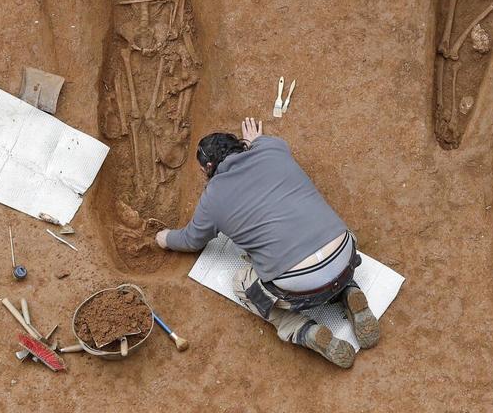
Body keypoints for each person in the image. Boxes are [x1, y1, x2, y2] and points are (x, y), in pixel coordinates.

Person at [156, 117, 379, 368]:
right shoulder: (273, 148)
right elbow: (264, 143)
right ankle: (349, 291)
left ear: (208, 166)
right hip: (344, 252)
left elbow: (190, 240)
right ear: (241, 147)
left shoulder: (212, 199)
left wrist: (163, 238)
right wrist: (256, 141)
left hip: (302, 284)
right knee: (327, 248)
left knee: (243, 284)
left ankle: (302, 330)